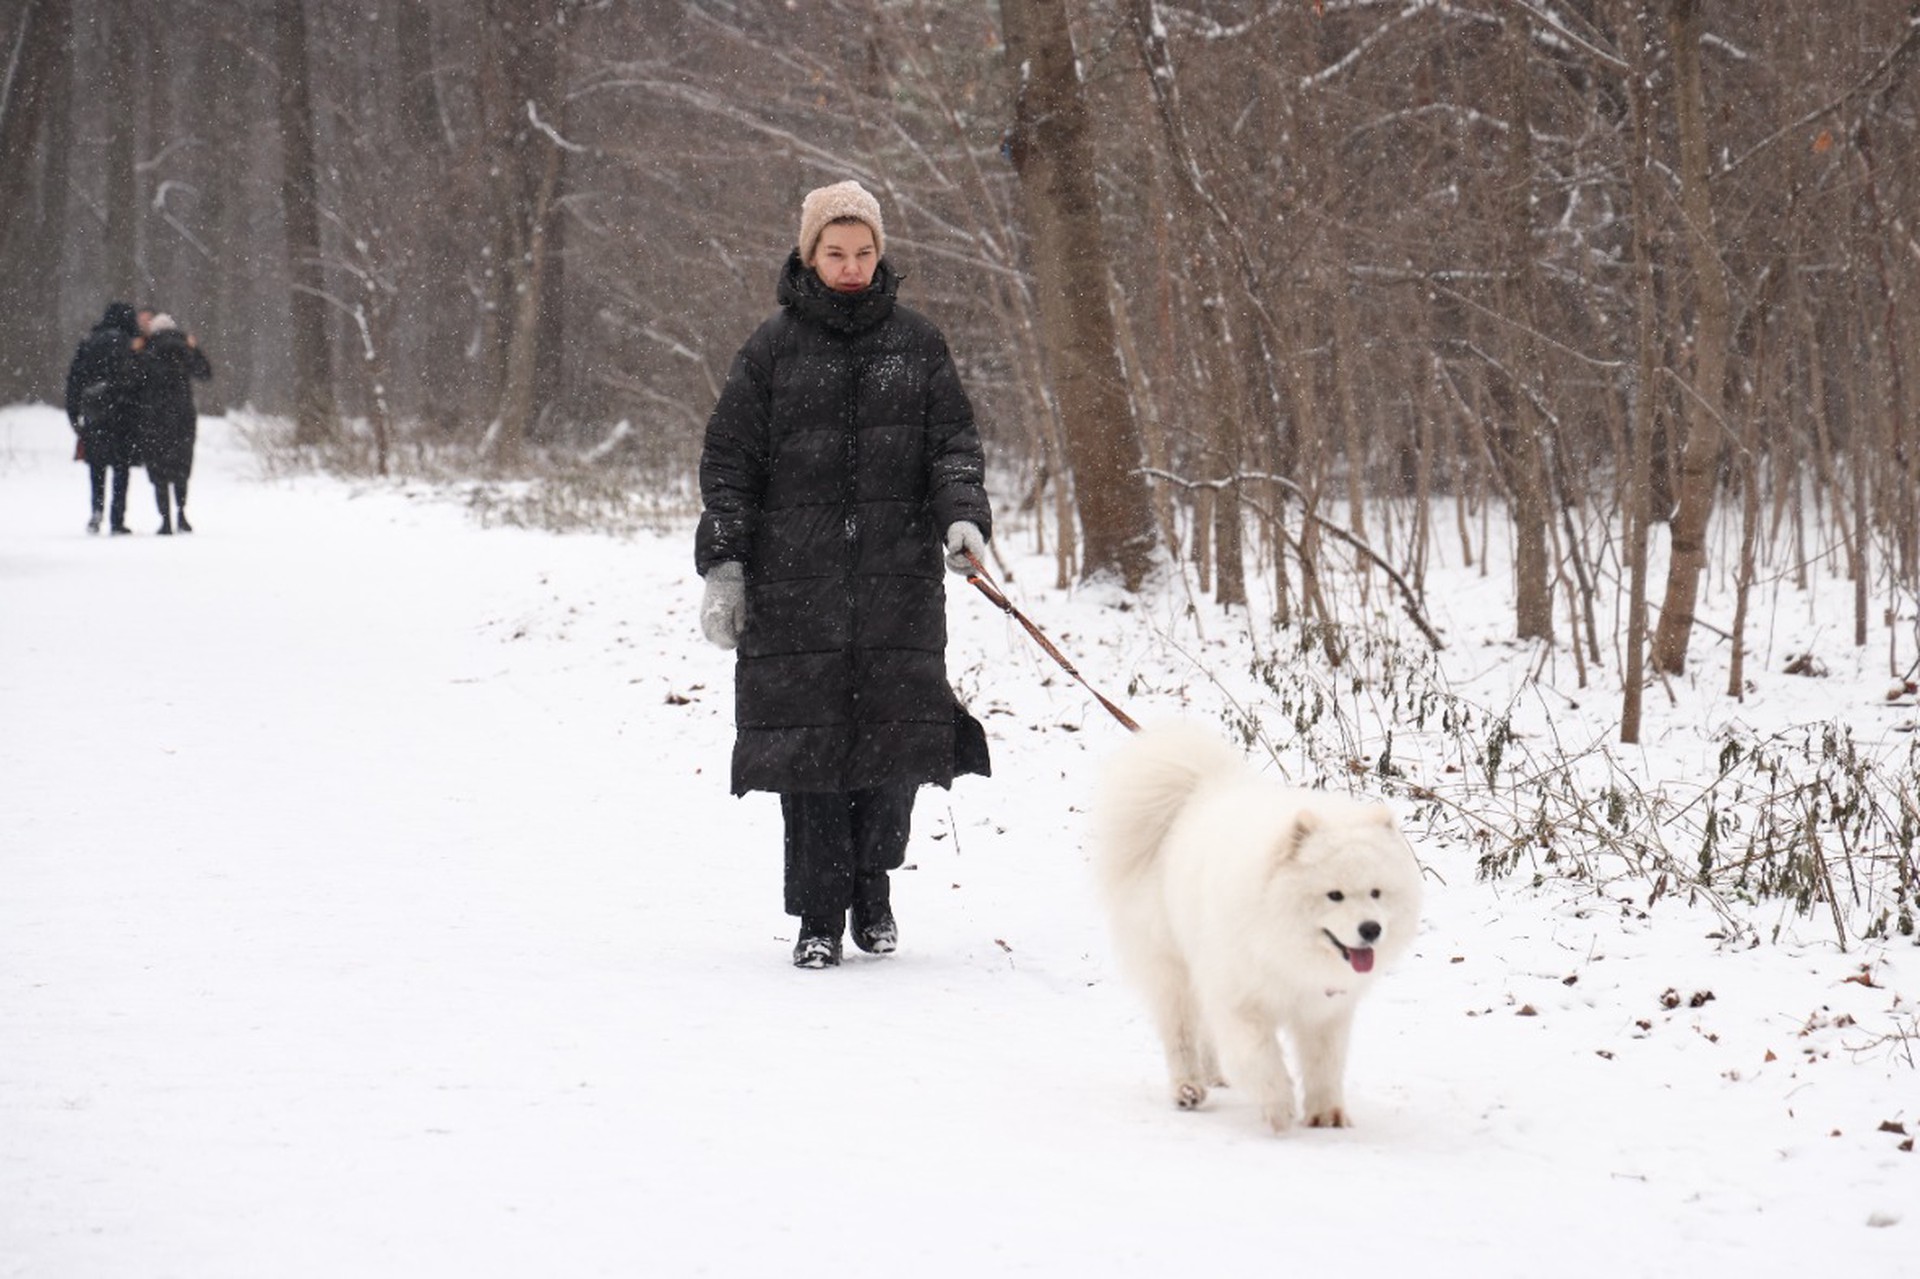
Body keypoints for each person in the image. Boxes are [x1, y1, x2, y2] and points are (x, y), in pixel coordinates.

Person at [696, 179, 994, 969]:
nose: (853, 266)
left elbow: (952, 445)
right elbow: (730, 462)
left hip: (897, 586)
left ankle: (875, 888)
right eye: (837, 252)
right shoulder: (769, 351)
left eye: (865, 252)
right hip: (799, 590)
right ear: (810, 253)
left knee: (895, 750)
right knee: (813, 759)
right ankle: (820, 915)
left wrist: (961, 514)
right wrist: (726, 564)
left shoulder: (920, 344)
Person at [63, 302, 144, 534]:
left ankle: (96, 510)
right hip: (123, 413)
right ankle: (117, 519)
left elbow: (75, 378)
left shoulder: (89, 342)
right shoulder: (131, 344)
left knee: (96, 466)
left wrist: (73, 412)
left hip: (94, 412)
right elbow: (139, 379)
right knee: (121, 467)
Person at [135, 313, 213, 534]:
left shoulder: (148, 350)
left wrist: (137, 351)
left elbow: (133, 377)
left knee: (158, 466)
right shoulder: (184, 348)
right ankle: (181, 513)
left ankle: (165, 519)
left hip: (154, 415)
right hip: (182, 414)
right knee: (181, 464)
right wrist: (193, 348)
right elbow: (205, 372)